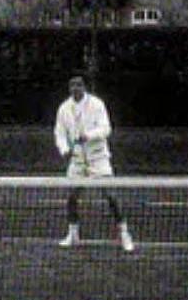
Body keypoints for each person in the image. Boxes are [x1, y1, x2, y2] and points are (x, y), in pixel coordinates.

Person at [54, 74, 134, 253]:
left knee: (110, 195)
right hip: (77, 159)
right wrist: (64, 149)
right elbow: (59, 132)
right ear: (69, 88)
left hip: (98, 158)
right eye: (72, 86)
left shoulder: (97, 104)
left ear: (84, 87)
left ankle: (124, 233)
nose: (75, 89)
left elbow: (106, 128)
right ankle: (73, 233)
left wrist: (88, 136)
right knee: (72, 197)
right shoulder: (64, 108)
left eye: (79, 85)